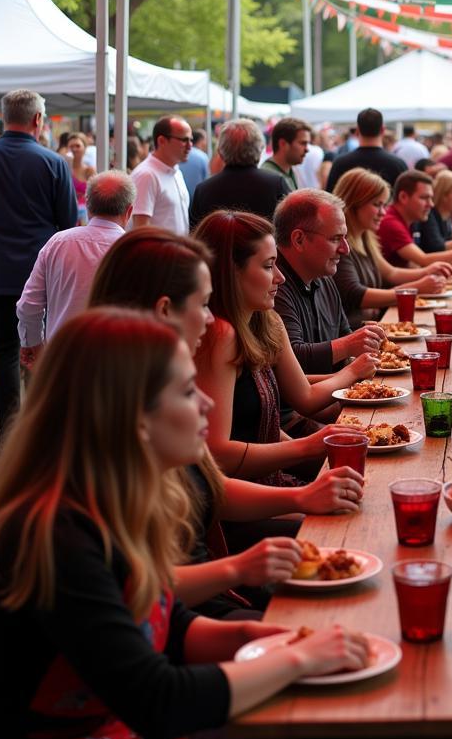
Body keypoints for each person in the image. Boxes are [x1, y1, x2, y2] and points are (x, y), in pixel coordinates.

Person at [0, 307, 389, 739]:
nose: (205, 402)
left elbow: (167, 624)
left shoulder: (106, 497)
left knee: (344, 725)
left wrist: (271, 637)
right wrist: (298, 658)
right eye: (185, 391)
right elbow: (157, 697)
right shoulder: (56, 537)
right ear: (133, 419)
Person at [88, 230, 367, 617]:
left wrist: (302, 493)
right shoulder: (123, 410)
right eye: (203, 304)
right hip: (194, 595)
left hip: (195, 590)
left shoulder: (150, 378)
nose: (209, 315)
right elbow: (138, 598)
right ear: (165, 309)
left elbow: (207, 484)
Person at [194, 210, 375, 478]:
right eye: (268, 266)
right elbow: (219, 455)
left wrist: (319, 461)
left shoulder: (266, 320)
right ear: (230, 272)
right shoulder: (220, 335)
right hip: (238, 498)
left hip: (266, 478)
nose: (280, 277)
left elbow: (262, 428)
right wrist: (309, 449)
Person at [0, 89, 77, 447]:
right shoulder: (53, 163)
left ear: (1, 117)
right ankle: (40, 438)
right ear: (38, 120)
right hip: (40, 275)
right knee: (40, 351)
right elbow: (69, 223)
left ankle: (8, 438)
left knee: (3, 352)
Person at [17, 171, 134, 367]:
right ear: (129, 211)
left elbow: (28, 305)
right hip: (118, 365)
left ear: (88, 206)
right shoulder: (135, 248)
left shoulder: (58, 243)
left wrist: (35, 347)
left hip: (62, 359)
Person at [272, 189, 386, 374]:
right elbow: (291, 361)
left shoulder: (324, 278)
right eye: (335, 239)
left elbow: (344, 335)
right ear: (299, 239)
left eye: (345, 239)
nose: (345, 249)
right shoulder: (273, 286)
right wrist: (349, 345)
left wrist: (362, 343)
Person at [332, 168, 452, 328]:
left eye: (384, 205)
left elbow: (390, 272)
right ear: (354, 203)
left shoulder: (365, 236)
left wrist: (426, 271)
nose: (383, 212)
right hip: (355, 335)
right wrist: (416, 288)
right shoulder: (341, 243)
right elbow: (356, 295)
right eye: (377, 205)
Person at [189, 119, 287, 228]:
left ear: (221, 152)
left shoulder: (203, 190)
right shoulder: (276, 184)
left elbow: (195, 235)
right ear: (260, 149)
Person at [378, 170, 452, 268]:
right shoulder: (391, 222)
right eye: (424, 198)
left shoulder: (408, 219)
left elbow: (411, 264)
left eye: (431, 198)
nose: (431, 204)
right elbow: (424, 259)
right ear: (403, 197)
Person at [130, 114, 193, 235]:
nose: (190, 145)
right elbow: (141, 230)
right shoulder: (146, 175)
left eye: (191, 140)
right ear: (162, 141)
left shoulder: (176, 171)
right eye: (184, 140)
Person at [325, 108, 407, 192]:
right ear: (382, 130)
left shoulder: (340, 163)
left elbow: (330, 198)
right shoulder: (397, 164)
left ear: (357, 131)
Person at [261, 117, 310, 197]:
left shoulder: (289, 170)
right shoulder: (268, 177)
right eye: (302, 143)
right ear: (283, 144)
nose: (307, 149)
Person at [65, 133, 96, 216]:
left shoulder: (89, 171)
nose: (74, 149)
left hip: (85, 217)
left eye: (77, 146)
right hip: (67, 214)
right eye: (71, 146)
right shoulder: (63, 169)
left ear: (84, 148)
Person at [177, 127, 210, 198]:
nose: (207, 143)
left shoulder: (178, 155)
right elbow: (208, 180)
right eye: (206, 140)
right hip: (197, 199)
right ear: (201, 140)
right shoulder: (203, 157)